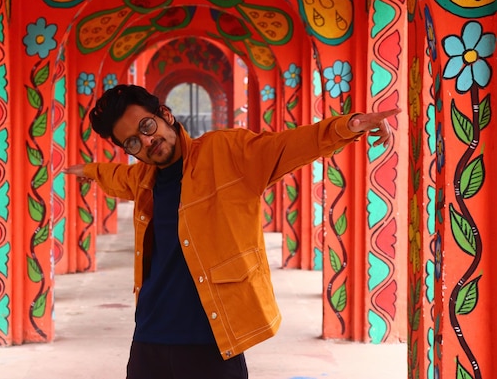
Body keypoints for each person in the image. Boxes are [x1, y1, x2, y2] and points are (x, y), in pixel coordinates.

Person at [64, 84, 400, 379]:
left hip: (211, 341)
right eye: (133, 142)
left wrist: (348, 126)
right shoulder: (143, 180)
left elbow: (291, 145)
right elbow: (116, 177)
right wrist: (90, 171)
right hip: (149, 340)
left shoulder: (227, 152)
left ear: (164, 114)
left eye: (147, 126)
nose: (148, 141)